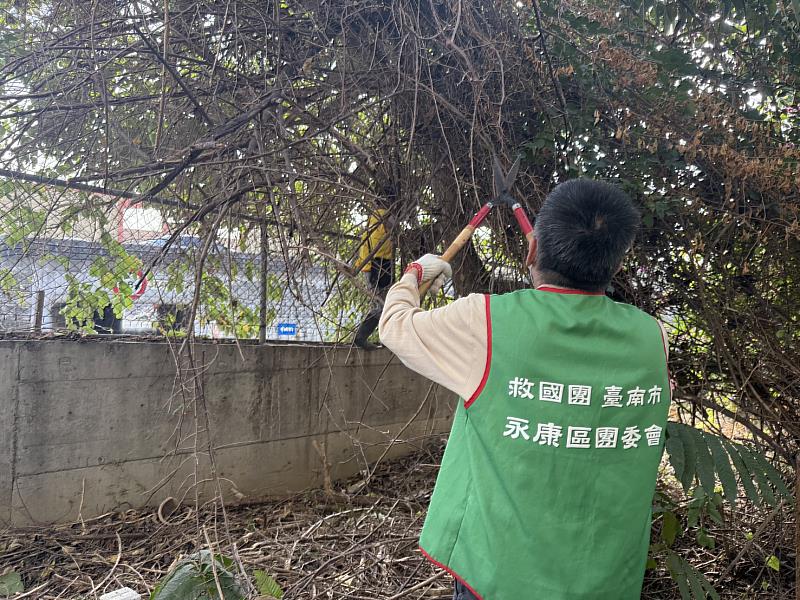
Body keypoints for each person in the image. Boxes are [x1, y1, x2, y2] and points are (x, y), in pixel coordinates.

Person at [379, 179, 670, 600]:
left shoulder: (488, 322)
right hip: (603, 577)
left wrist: (416, 275)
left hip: (497, 573)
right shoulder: (652, 337)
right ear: (616, 264)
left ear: (532, 251)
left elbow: (395, 326)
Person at [353, 204, 395, 350]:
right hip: (379, 266)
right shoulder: (387, 217)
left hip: (372, 266)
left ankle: (385, 340)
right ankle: (361, 337)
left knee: (384, 304)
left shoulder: (373, 220)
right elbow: (385, 246)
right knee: (384, 305)